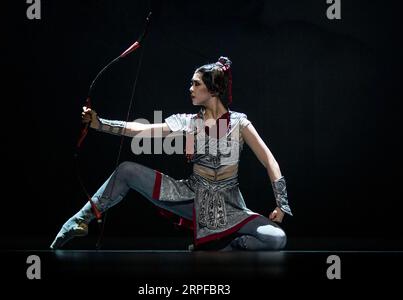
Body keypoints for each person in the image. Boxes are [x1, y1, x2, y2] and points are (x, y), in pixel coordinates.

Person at [50, 57, 293, 250]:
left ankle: (228, 246)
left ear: (214, 89)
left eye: (196, 84)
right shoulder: (187, 121)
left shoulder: (239, 123)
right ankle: (78, 220)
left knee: (275, 239)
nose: (191, 89)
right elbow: (142, 130)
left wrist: (281, 204)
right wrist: (99, 124)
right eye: (192, 83)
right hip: (190, 197)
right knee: (126, 170)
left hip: (230, 206)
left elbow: (268, 159)